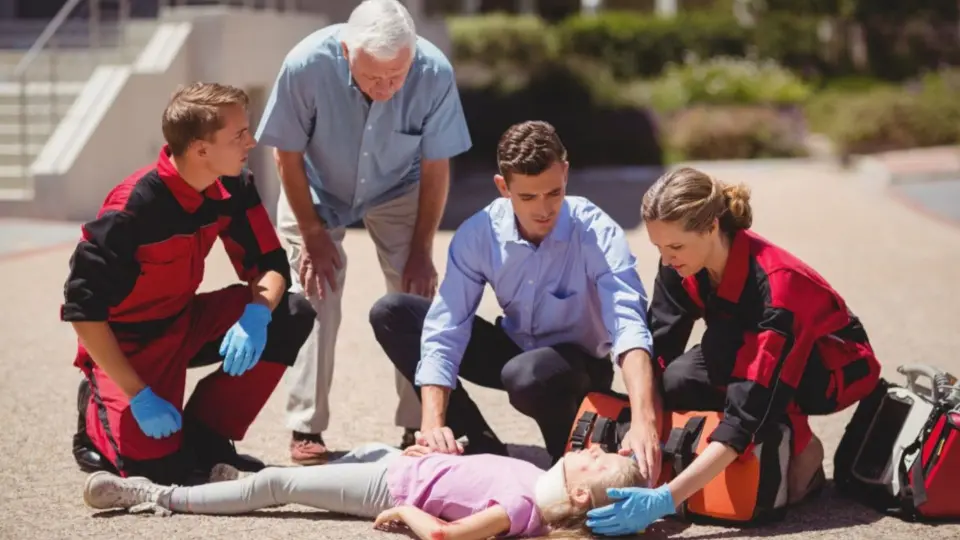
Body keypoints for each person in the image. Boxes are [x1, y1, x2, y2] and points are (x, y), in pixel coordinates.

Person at [584, 167, 883, 536]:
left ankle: (804, 452)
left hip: (832, 369)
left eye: (675, 246)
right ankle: (753, 451)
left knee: (741, 385)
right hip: (747, 338)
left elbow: (746, 411)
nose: (667, 258)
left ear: (711, 227)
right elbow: (659, 347)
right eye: (658, 247)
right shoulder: (679, 263)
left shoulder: (776, 289)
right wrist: (642, 423)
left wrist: (664, 498)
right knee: (676, 378)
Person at [370, 120, 663, 476]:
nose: (544, 209)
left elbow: (628, 323)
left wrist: (645, 418)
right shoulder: (479, 234)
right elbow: (447, 326)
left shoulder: (596, 230)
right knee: (393, 312)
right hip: (515, 349)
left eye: (553, 193)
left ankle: (565, 450)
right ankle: (473, 441)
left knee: (528, 376)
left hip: (577, 367)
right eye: (528, 197)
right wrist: (432, 423)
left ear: (565, 173)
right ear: (502, 187)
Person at [63, 82, 316, 486]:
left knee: (291, 312)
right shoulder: (131, 209)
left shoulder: (232, 185)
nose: (251, 142)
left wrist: (256, 313)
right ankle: (94, 412)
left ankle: (206, 434)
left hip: (184, 321)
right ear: (201, 150)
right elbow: (83, 310)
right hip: (129, 345)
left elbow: (270, 266)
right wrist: (139, 395)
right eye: (239, 135)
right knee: (158, 473)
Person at [254, 0, 472, 465]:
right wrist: (312, 233)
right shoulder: (306, 64)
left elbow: (436, 167)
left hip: (400, 184)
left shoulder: (433, 71)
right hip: (314, 184)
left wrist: (421, 250)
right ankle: (305, 425)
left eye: (398, 76)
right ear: (346, 49)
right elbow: (285, 156)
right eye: (374, 78)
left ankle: (418, 423)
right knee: (315, 289)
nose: (388, 88)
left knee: (415, 292)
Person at [82, 442, 642, 539]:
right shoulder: (540, 478)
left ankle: (153, 494)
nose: (591, 450)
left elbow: (448, 534)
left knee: (280, 484)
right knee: (289, 476)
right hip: (406, 465)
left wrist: (405, 508)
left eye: (597, 463)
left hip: (390, 485)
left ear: (582, 498)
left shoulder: (526, 506)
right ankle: (240, 487)